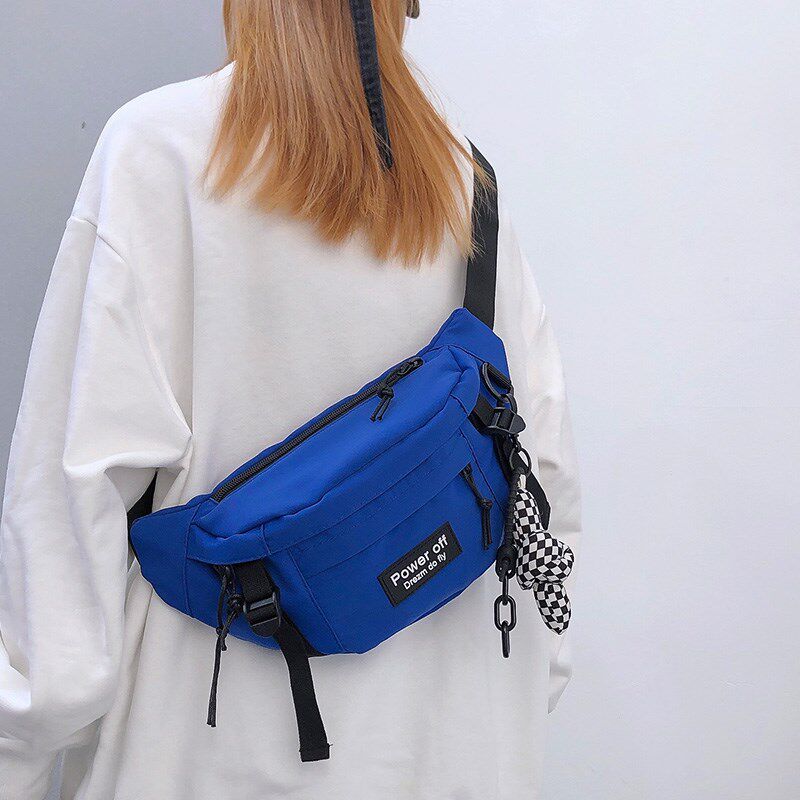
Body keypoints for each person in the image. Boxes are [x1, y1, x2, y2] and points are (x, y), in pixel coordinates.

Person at [0, 1, 581, 798]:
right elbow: (544, 485)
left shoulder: (160, 151)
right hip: (455, 757)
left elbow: (68, 511)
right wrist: (503, 715)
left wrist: (21, 755)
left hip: (207, 752)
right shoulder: (467, 182)